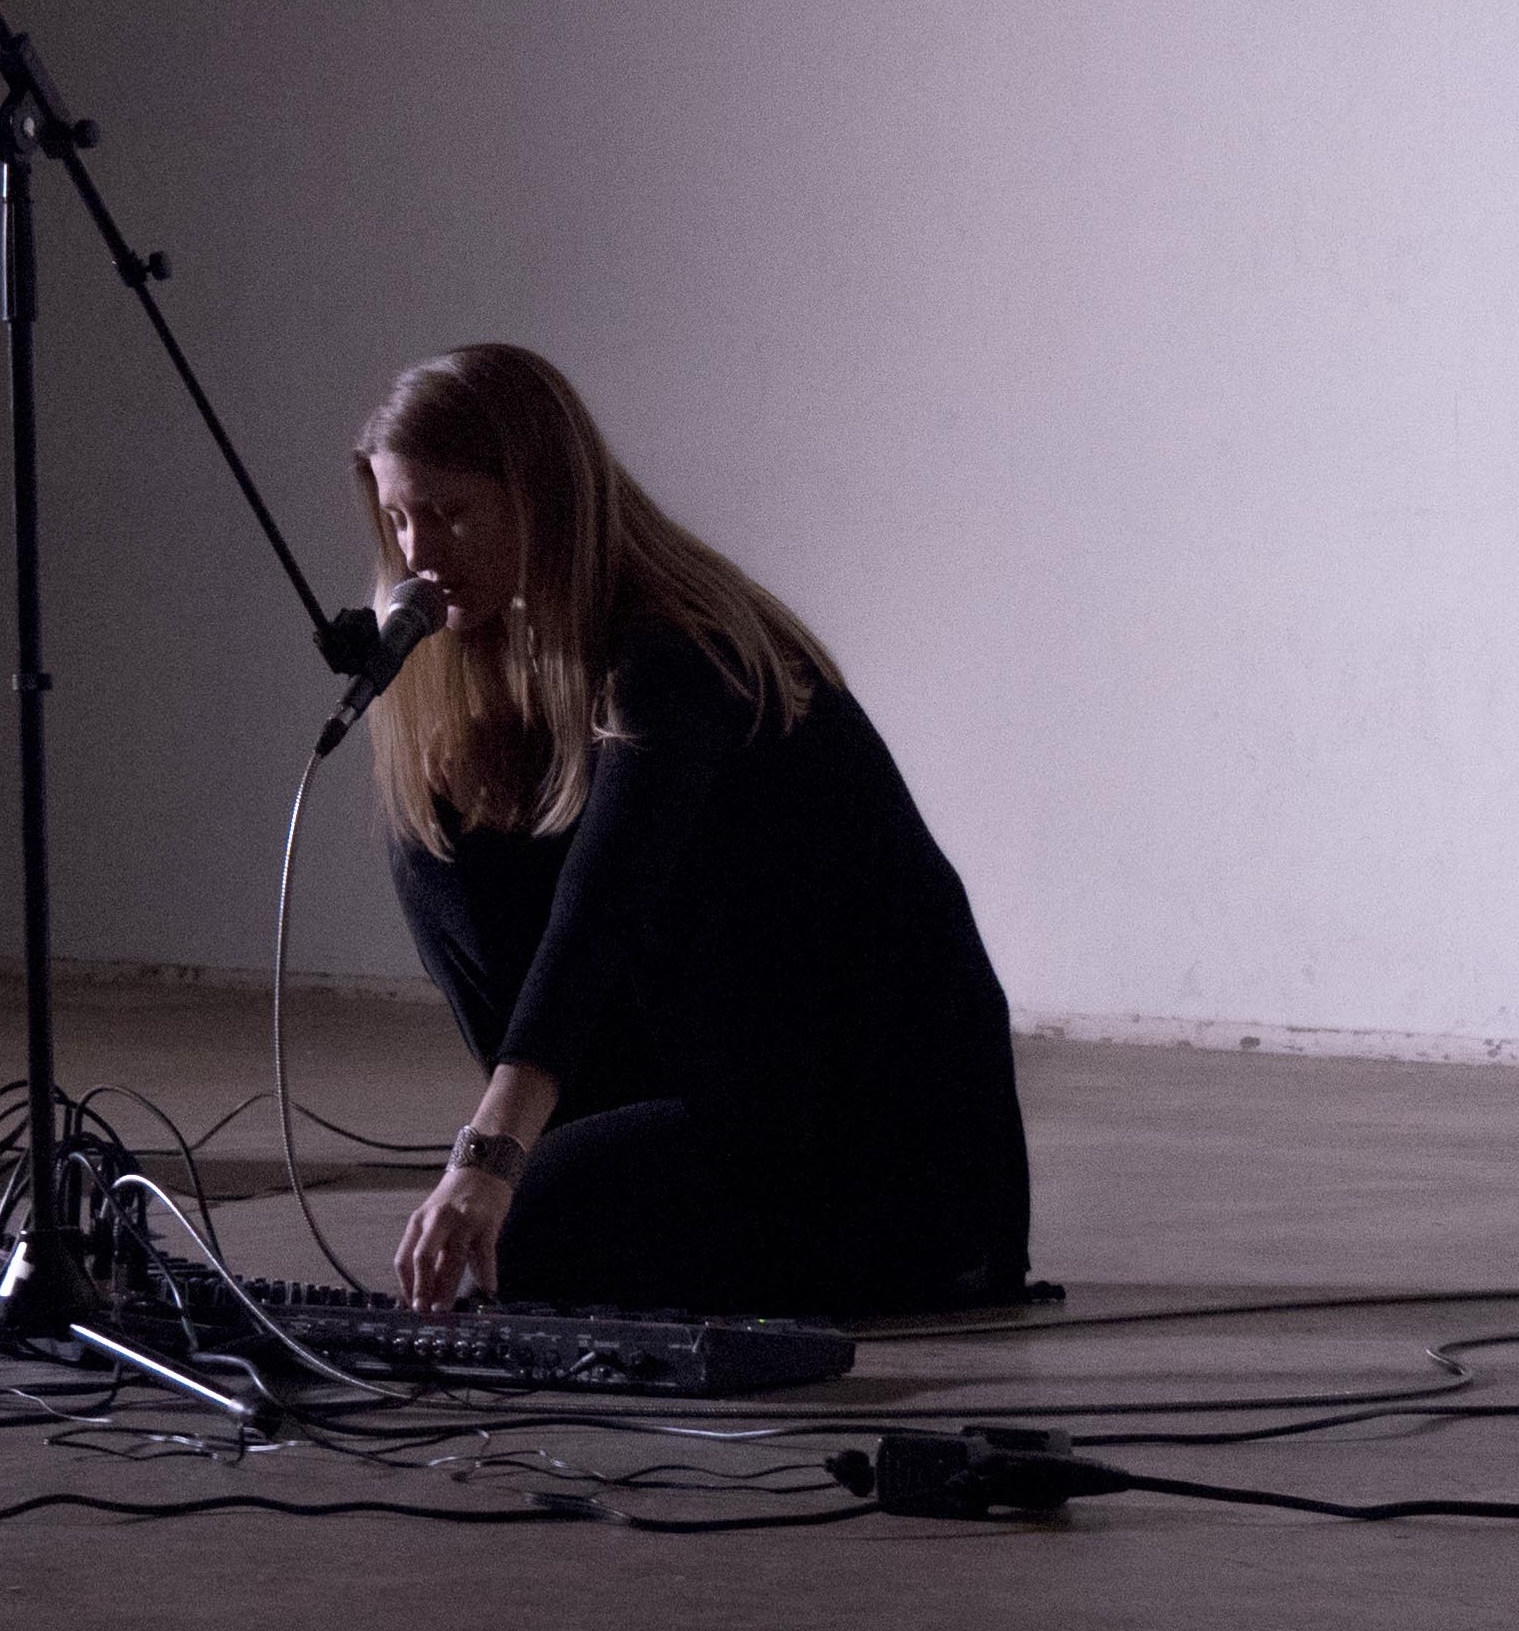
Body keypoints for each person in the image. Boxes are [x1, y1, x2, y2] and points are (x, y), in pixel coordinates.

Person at [356, 342, 1032, 1318]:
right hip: (740, 1086)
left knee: (538, 1229)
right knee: (431, 814)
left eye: (452, 512)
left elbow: (599, 912)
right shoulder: (528, 649)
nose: (419, 553)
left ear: (541, 499)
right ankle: (579, 1154)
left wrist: (490, 1158)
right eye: (397, 519)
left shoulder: (679, 652)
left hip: (883, 1144)